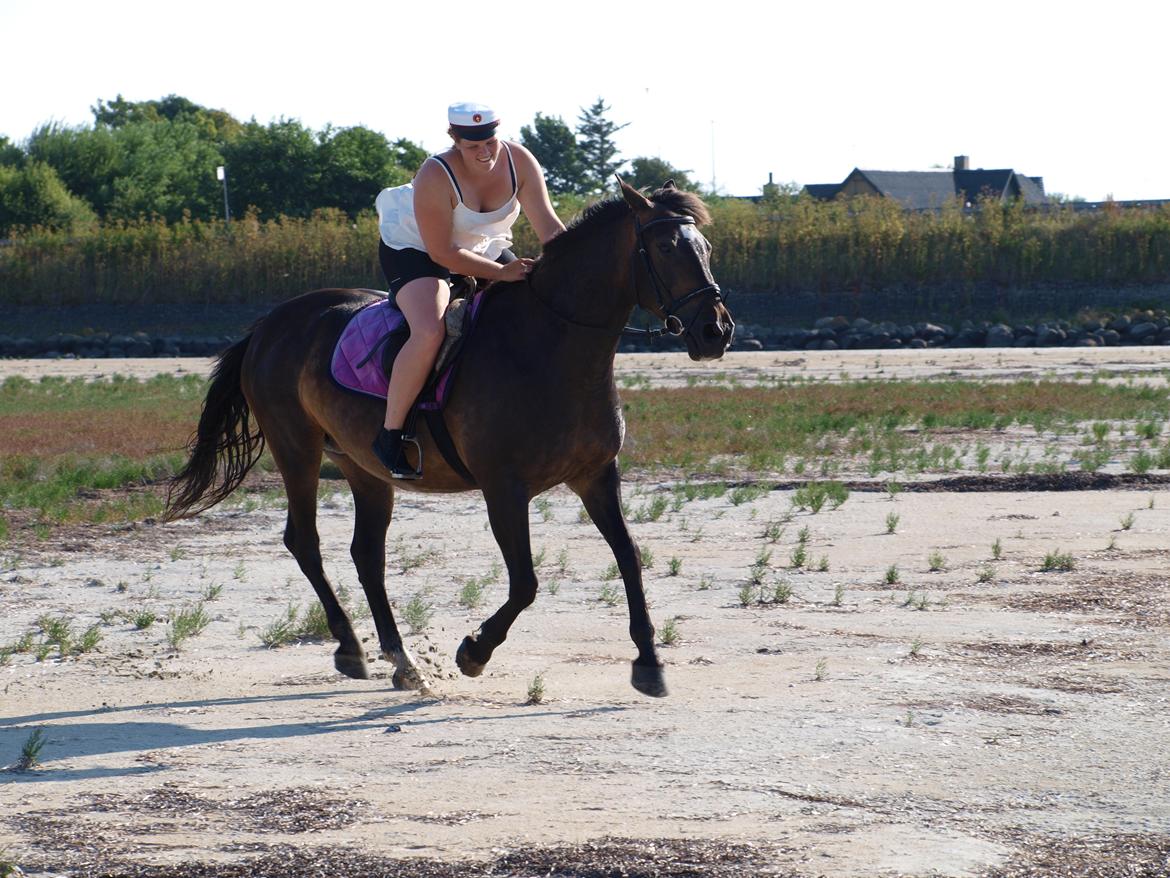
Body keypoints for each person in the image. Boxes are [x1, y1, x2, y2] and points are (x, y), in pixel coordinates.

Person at [372, 102, 566, 478]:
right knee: (430, 329)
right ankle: (390, 434)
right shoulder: (435, 173)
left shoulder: (520, 161)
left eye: (489, 142)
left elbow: (550, 229)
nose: (484, 152)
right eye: (472, 145)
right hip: (417, 249)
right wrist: (502, 273)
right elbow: (443, 252)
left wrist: (577, 264)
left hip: (482, 247)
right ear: (454, 140)